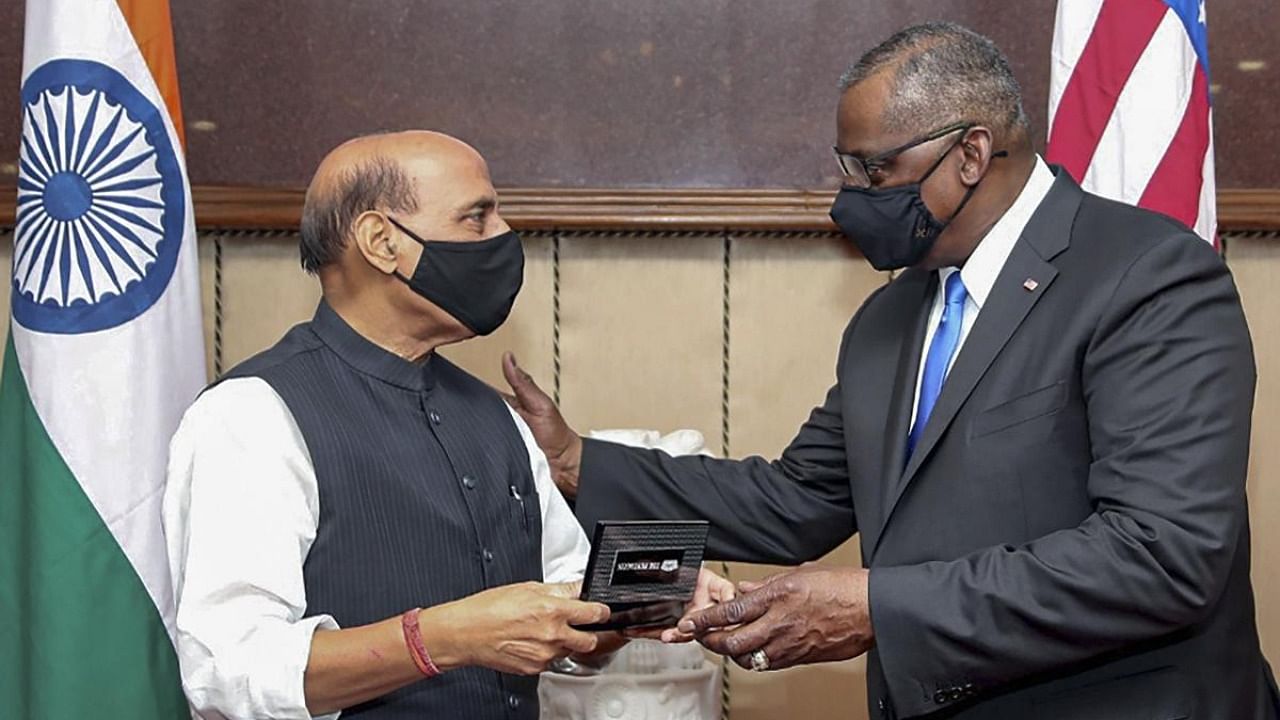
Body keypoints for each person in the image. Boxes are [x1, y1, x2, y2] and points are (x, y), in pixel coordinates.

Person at [503, 23, 1280, 720]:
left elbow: (1160, 555)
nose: (851, 199)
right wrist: (576, 460)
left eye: (874, 172)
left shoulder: (1146, 276)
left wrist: (875, 607)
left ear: (971, 153)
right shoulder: (894, 314)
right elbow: (797, 499)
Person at [164, 130, 730, 720]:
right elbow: (229, 671)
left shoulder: (494, 415)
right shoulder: (251, 415)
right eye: (476, 218)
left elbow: (565, 596)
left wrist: (656, 588)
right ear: (382, 242)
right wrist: (441, 639)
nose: (505, 237)